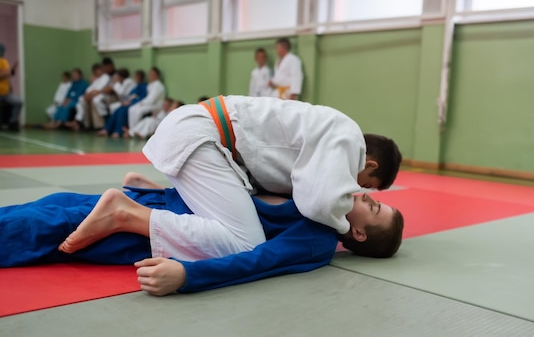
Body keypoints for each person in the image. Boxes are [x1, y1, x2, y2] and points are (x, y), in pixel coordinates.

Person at [0, 175, 403, 296]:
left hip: (147, 233)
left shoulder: (315, 238)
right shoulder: (316, 191)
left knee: (41, 227)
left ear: (359, 235)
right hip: (152, 202)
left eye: (372, 207)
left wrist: (187, 277)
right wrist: (159, 188)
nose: (366, 196)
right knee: (49, 203)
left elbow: (255, 261)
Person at [141, 96, 402, 260]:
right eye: (365, 183)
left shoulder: (332, 138)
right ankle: (130, 215)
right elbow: (318, 204)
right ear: (369, 163)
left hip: (201, 136)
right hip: (199, 138)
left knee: (239, 209)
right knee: (246, 242)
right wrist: (344, 227)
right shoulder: (349, 139)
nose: (358, 190)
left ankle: (152, 190)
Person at [98, 70, 147, 138]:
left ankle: (118, 131)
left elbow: (142, 98)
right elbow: (130, 96)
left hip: (134, 104)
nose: (135, 78)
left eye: (136, 77)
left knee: (122, 111)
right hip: (128, 103)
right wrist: (126, 101)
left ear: (140, 77)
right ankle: (107, 129)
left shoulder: (143, 86)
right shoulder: (136, 87)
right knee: (117, 110)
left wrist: (131, 102)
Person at [69, 63, 112, 131]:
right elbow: (90, 88)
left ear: (101, 70)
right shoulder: (96, 78)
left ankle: (98, 125)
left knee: (95, 101)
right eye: (95, 71)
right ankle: (87, 125)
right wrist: (87, 94)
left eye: (97, 70)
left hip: (102, 95)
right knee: (82, 101)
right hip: (92, 95)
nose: (96, 72)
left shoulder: (105, 77)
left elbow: (99, 89)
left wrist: (90, 95)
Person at [0, 43, 23, 131]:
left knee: (18, 102)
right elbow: (5, 74)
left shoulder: (4, 61)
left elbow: (9, 73)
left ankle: (13, 122)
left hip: (6, 93)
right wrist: (6, 73)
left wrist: (12, 69)